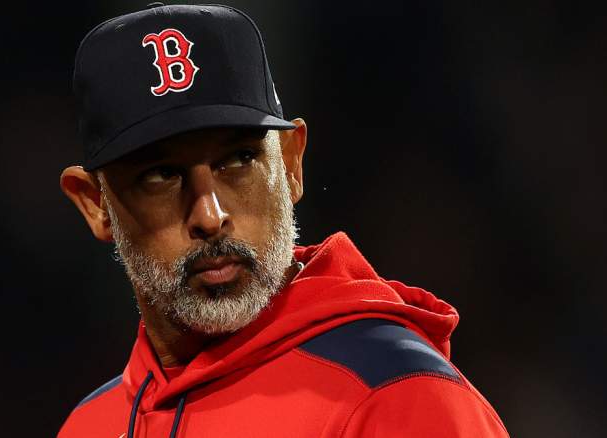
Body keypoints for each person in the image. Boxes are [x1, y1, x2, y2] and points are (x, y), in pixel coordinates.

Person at [57, 3, 509, 437]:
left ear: (291, 165)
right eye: (161, 175)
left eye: (239, 159)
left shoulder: (394, 397)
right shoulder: (89, 426)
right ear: (96, 204)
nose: (211, 217)